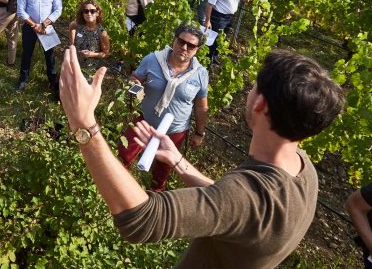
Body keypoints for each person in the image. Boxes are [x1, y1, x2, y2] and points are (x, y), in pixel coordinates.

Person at [58, 48, 344, 269]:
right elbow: (237, 208)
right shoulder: (303, 169)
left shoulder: (248, 197)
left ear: (260, 104)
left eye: (255, 86)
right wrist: (179, 162)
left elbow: (143, 220)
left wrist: (84, 126)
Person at [117, 23, 208, 192]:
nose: (184, 47)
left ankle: (154, 201)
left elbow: (201, 106)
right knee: (123, 156)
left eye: (191, 45)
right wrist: (136, 87)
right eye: (181, 42)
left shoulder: (201, 74)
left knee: (162, 172)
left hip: (175, 131)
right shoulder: (153, 59)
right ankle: (117, 191)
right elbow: (134, 78)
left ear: (197, 49)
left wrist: (199, 133)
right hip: (145, 121)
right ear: (174, 40)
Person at [16, 0, 62, 99]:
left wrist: (44, 24)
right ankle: (23, 80)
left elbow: (58, 9)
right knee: (27, 54)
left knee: (50, 57)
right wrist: (34, 25)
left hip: (47, 27)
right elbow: (20, 10)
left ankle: (53, 83)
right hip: (30, 27)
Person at [68, 0, 110, 74]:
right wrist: (72, 45)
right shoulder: (78, 25)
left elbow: (105, 53)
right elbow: (71, 26)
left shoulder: (102, 33)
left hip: (90, 71)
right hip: (74, 66)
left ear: (97, 13)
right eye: (86, 11)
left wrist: (91, 54)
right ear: (83, 13)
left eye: (92, 11)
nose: (89, 13)